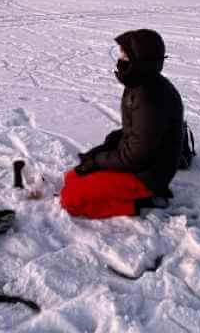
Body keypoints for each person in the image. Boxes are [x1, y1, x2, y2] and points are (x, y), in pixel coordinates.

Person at [60, 28, 184, 219]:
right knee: (71, 177)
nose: (120, 59)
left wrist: (98, 160)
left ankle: (139, 202)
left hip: (148, 176)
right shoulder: (141, 84)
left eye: (125, 55)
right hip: (142, 163)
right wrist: (110, 143)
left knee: (70, 199)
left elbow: (135, 157)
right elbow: (141, 132)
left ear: (140, 60)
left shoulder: (150, 97)